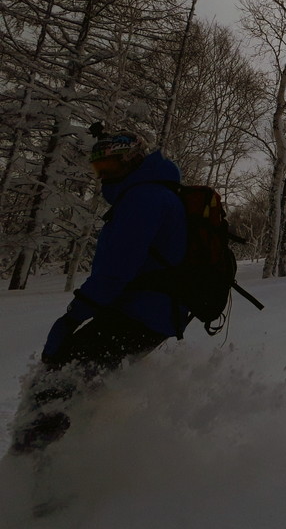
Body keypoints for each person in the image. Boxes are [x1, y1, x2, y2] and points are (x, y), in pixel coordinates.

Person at [9, 129, 189, 456]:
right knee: (82, 388)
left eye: (111, 167)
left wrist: (72, 317)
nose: (104, 176)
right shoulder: (150, 194)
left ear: (132, 161)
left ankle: (36, 478)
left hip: (139, 315)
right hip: (145, 315)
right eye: (98, 169)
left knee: (55, 386)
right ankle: (79, 461)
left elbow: (116, 272)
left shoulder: (144, 198)